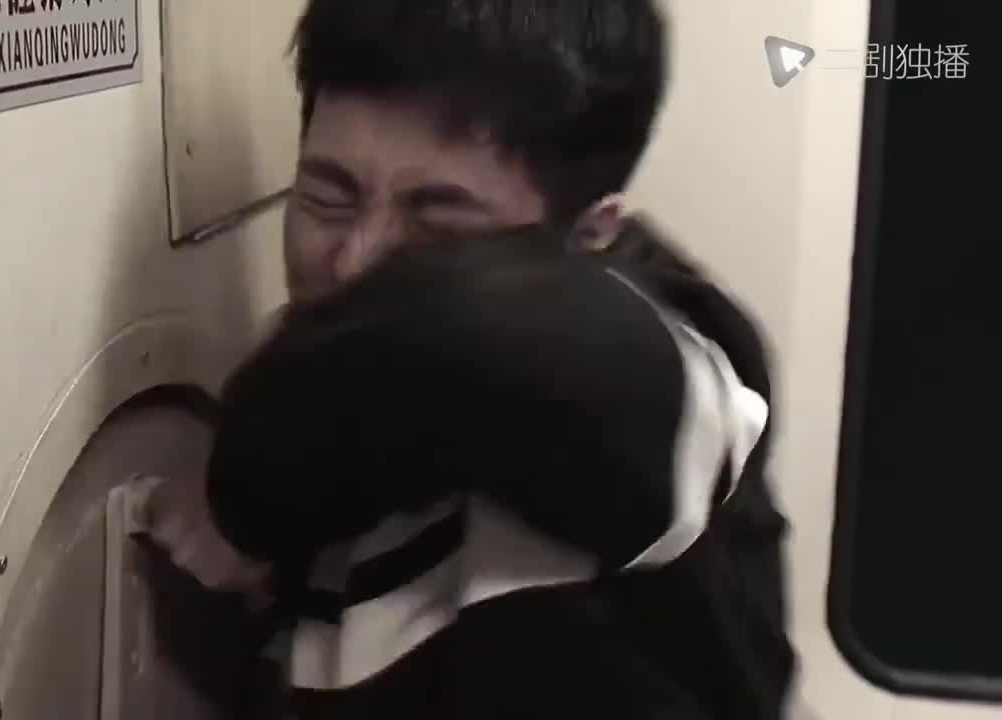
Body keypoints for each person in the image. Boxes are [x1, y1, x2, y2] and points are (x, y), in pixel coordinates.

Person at [146, 0, 796, 718]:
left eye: (440, 225)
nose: (354, 260)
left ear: (587, 237)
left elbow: (528, 351)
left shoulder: (667, 373)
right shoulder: (347, 415)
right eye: (328, 197)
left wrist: (246, 493)